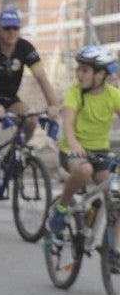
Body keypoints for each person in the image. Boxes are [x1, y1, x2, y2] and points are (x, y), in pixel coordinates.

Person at [0, 8, 60, 220]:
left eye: (15, 28)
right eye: (6, 28)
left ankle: (9, 158)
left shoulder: (25, 47)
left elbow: (41, 77)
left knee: (30, 120)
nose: (10, 33)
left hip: (9, 98)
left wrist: (53, 105)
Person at [45, 45, 120, 269]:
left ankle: (114, 250)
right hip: (72, 151)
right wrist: (75, 145)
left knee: (117, 197)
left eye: (85, 70)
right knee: (84, 170)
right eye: (78, 69)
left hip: (100, 154)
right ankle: (61, 209)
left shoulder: (113, 95)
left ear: (101, 74)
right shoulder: (74, 93)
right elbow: (67, 124)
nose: (79, 74)